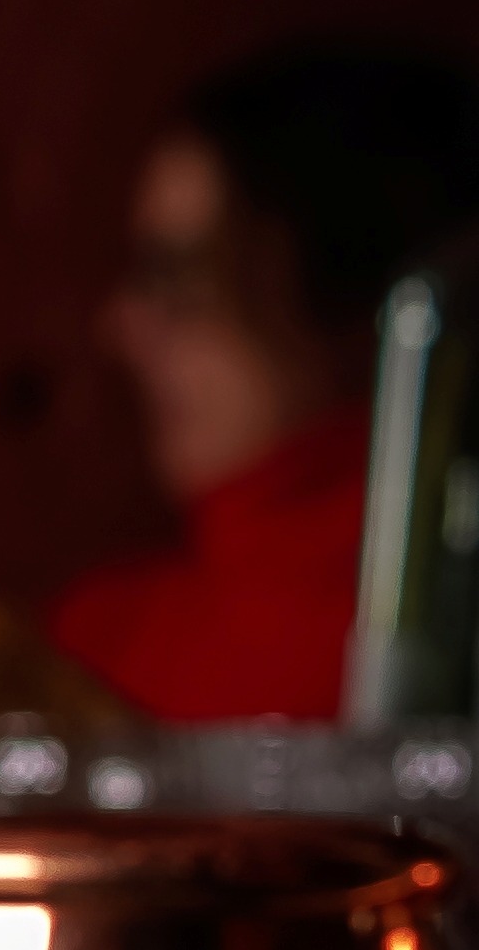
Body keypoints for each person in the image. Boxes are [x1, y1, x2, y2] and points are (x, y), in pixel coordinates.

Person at [53, 38, 479, 721]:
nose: (124, 324)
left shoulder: (435, 639)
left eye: (179, 273)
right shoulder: (108, 637)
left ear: (349, 290)